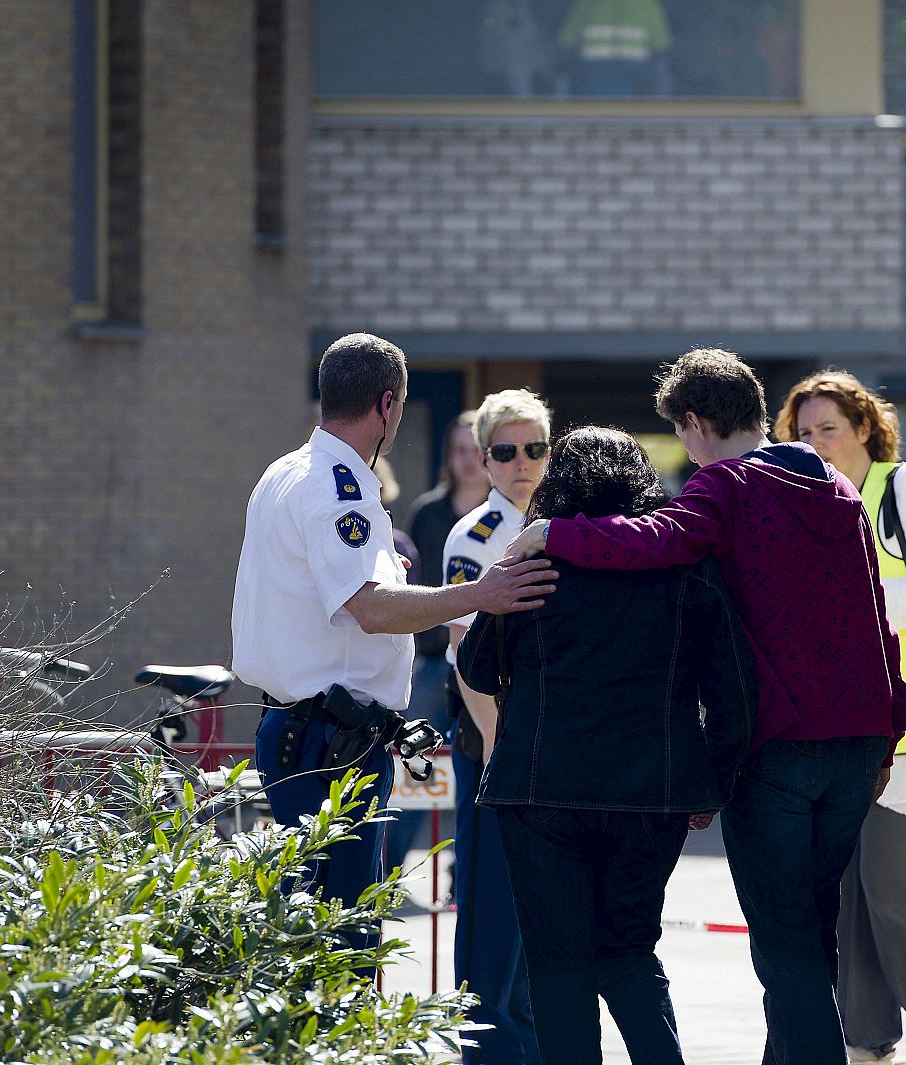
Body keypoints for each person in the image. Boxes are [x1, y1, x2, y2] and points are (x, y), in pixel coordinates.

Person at [509, 348, 906, 1065]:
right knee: (811, 929)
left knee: (786, 944)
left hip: (780, 746)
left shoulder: (724, 486)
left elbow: (653, 539)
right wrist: (884, 740)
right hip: (859, 743)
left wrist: (554, 532)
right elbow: (876, 616)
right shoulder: (832, 480)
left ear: (696, 423)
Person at [230, 333, 556, 968]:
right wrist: (479, 595)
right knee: (341, 942)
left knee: (309, 936)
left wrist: (403, 583)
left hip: (302, 727)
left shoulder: (288, 470)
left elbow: (339, 596)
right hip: (331, 743)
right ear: (388, 404)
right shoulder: (339, 485)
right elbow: (370, 608)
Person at [458, 426, 756, 1065]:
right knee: (629, 953)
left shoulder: (532, 562)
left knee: (558, 965)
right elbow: (733, 695)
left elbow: (479, 669)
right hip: (653, 792)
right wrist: (714, 785)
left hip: (540, 791)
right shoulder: (686, 568)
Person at [776, 371, 906, 1064]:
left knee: (894, 896)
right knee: (849, 905)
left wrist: (848, 603)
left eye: (828, 430)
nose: (815, 444)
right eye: (803, 434)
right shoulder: (802, 506)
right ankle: (868, 1043)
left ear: (866, 428)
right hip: (839, 738)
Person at [440, 388, 553, 1065]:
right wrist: (498, 758)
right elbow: (468, 664)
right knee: (491, 927)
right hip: (496, 753)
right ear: (483, 459)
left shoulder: (565, 523)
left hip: (549, 755)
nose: (521, 463)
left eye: (534, 449)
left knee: (539, 930)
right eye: (505, 451)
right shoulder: (476, 537)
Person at [405, 412, 492, 734]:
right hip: (431, 662)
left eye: (476, 450)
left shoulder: (510, 515)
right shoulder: (427, 513)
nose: (468, 460)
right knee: (418, 768)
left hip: (489, 663)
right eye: (460, 450)